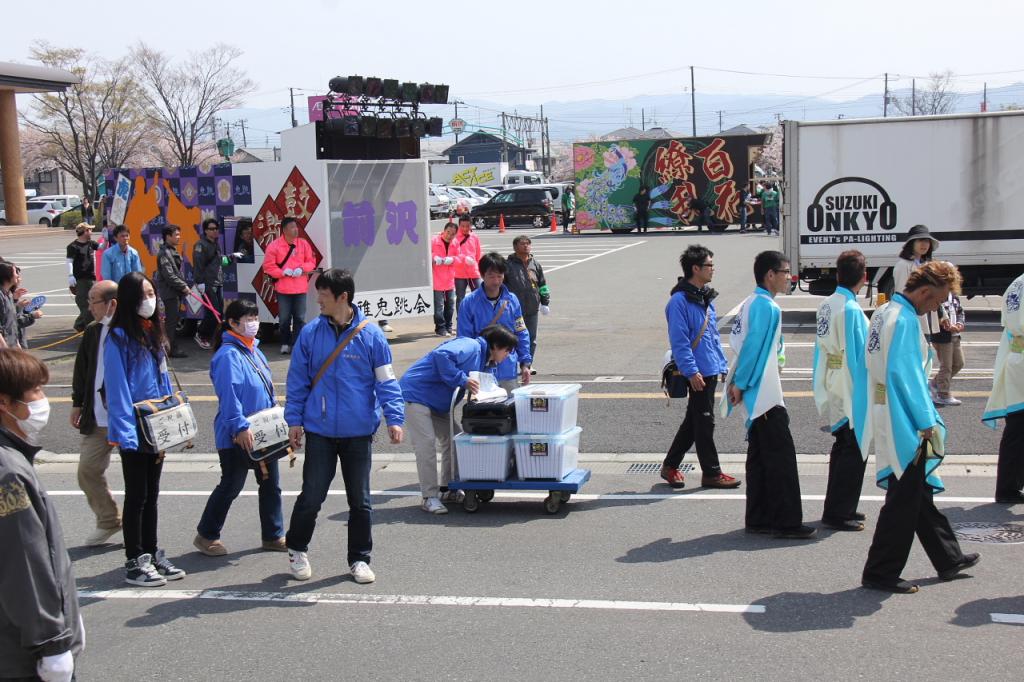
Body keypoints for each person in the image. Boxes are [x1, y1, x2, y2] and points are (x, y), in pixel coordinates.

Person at [861, 261, 979, 593]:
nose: (936, 307)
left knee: (917, 492)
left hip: (887, 407)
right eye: (937, 300)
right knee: (903, 497)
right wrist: (926, 420)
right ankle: (880, 572)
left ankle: (948, 557)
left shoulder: (884, 312)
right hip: (904, 417)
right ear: (925, 292)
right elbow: (907, 375)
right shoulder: (905, 320)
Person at [284, 268, 404, 584]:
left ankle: (359, 559)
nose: (318, 300)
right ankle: (296, 548)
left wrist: (395, 418)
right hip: (321, 431)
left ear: (342, 297)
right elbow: (297, 381)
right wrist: (293, 420)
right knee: (311, 495)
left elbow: (387, 381)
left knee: (360, 500)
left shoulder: (372, 335)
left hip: (358, 431)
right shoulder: (310, 334)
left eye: (323, 295)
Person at [0, 349, 84, 682]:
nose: (42, 399)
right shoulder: (8, 472)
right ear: (5, 403)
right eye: (35, 390)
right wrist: (52, 643)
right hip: (23, 656)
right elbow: (25, 563)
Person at [721, 250, 814, 539]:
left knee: (760, 457)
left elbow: (742, 344)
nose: (790, 278)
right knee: (781, 458)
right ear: (770, 275)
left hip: (755, 392)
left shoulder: (752, 303)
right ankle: (787, 522)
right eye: (785, 272)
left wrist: (738, 383)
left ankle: (758, 517)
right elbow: (754, 349)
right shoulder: (767, 307)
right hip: (765, 393)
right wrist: (741, 383)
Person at [104, 271, 186, 587]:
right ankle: (134, 560)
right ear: (128, 300)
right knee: (136, 495)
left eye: (151, 292)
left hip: (156, 423)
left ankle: (151, 553)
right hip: (135, 426)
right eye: (143, 294)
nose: (150, 300)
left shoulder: (152, 332)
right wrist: (124, 434)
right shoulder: (118, 338)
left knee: (151, 494)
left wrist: (171, 417)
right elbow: (117, 388)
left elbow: (163, 380)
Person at [195, 299, 286, 556]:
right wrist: (238, 427)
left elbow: (267, 390)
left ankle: (273, 534)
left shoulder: (254, 350)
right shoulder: (227, 356)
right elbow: (229, 396)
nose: (253, 323)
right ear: (232, 323)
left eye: (255, 317)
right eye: (247, 318)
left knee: (270, 483)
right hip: (238, 434)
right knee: (231, 485)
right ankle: (206, 534)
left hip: (263, 431)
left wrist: (276, 418)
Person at [400, 325, 518, 514]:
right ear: (495, 345)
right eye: (508, 350)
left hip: (437, 404)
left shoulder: (485, 361)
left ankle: (449, 489)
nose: (509, 354)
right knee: (426, 444)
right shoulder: (470, 345)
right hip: (416, 394)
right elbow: (441, 355)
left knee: (455, 440)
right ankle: (429, 497)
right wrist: (461, 379)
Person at [661, 245, 739, 490]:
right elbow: (679, 340)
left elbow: (712, 336)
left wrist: (721, 364)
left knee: (694, 422)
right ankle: (711, 473)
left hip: (709, 369)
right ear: (696, 269)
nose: (713, 269)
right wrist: (691, 371)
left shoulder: (704, 296)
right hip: (697, 372)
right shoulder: (679, 301)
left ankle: (670, 466)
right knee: (704, 422)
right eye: (709, 265)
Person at [812, 250, 872, 531]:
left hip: (833, 377)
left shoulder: (827, 303)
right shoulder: (851, 309)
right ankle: (839, 511)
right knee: (852, 449)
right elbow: (861, 356)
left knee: (843, 447)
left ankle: (838, 507)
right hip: (849, 384)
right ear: (864, 277)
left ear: (838, 274)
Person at [70, 279, 122, 546]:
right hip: (98, 416)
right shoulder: (92, 331)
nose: (89, 306)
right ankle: (109, 519)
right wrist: (77, 402)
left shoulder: (132, 329)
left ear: (112, 304)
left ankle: (140, 529)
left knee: (140, 476)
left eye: (93, 301)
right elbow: (82, 369)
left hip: (128, 417)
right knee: (87, 470)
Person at [456, 252, 532, 392]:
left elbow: (521, 332)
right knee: (486, 411)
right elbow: (463, 339)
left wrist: (525, 363)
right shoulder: (469, 303)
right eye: (491, 276)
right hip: (482, 371)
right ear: (482, 275)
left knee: (511, 409)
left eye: (500, 276)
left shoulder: (512, 300)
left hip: (508, 369)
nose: (496, 281)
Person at [983, 272, 1024, 504]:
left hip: (1016, 356)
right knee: (1018, 428)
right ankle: (1008, 487)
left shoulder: (1017, 282)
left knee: (1017, 427)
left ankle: (1009, 485)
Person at [263, 216, 316, 354]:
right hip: (283, 289)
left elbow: (311, 262)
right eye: (292, 227)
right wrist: (282, 272)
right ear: (284, 230)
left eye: (296, 227)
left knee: (300, 318)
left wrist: (303, 268)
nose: (295, 230)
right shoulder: (274, 246)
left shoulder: (303, 244)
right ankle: (285, 343)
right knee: (284, 319)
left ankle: (297, 344)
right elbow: (268, 266)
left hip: (300, 288)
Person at [504, 236, 550, 369]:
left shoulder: (535, 264)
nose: (526, 246)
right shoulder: (509, 265)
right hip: (514, 309)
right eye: (522, 244)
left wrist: (545, 302)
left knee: (531, 338)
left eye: (528, 244)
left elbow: (542, 284)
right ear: (515, 247)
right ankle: (511, 364)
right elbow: (503, 286)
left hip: (532, 307)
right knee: (512, 337)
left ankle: (527, 365)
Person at [156, 224, 191, 359]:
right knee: (171, 322)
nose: (178, 237)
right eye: (176, 235)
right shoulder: (164, 253)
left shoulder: (171, 251)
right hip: (170, 292)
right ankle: (170, 349)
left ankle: (170, 347)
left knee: (173, 320)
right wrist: (183, 286)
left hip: (174, 292)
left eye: (178, 234)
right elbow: (169, 275)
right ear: (167, 236)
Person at [192, 218, 225, 350]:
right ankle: (201, 334)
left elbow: (219, 262)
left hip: (218, 282)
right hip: (207, 283)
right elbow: (198, 265)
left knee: (219, 312)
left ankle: (212, 337)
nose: (215, 231)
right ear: (205, 230)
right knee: (213, 311)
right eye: (211, 229)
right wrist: (200, 282)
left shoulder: (216, 245)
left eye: (216, 228)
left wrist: (232, 257)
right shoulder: (200, 245)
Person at [931, 284, 965, 407]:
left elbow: (960, 311)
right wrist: (945, 325)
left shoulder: (954, 296)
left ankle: (935, 384)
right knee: (946, 366)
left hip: (955, 335)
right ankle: (943, 394)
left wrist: (960, 324)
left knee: (959, 363)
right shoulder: (936, 295)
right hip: (942, 336)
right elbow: (933, 314)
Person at [67, 222, 100, 332]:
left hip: (91, 277)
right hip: (80, 278)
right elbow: (69, 261)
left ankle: (79, 324)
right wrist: (70, 275)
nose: (91, 232)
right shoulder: (73, 246)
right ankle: (86, 325)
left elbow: (101, 247)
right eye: (89, 230)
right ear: (84, 232)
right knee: (83, 302)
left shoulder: (91, 243)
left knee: (91, 301)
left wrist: (105, 238)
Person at [431, 222, 459, 336]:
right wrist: (434, 257)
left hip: (449, 280)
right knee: (439, 306)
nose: (449, 236)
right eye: (448, 232)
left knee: (450, 305)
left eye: (452, 234)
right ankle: (440, 328)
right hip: (436, 279)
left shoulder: (455, 243)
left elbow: (460, 257)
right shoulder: (434, 241)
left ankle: (448, 326)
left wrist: (452, 259)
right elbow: (426, 253)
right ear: (444, 230)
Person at [453, 215, 482, 315]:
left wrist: (479, 268)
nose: (465, 228)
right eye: (462, 226)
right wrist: (463, 258)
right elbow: (452, 254)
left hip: (473, 272)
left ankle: (477, 318)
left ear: (471, 225)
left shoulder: (474, 237)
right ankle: (461, 319)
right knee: (460, 297)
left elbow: (478, 254)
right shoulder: (455, 237)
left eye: (467, 226)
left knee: (479, 296)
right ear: (459, 225)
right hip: (459, 273)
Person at [0, 260, 20, 349]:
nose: (17, 275)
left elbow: (12, 322)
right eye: (15, 272)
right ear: (7, 275)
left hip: (12, 344)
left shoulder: (8, 294)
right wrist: (5, 348)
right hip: (4, 347)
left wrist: (17, 343)